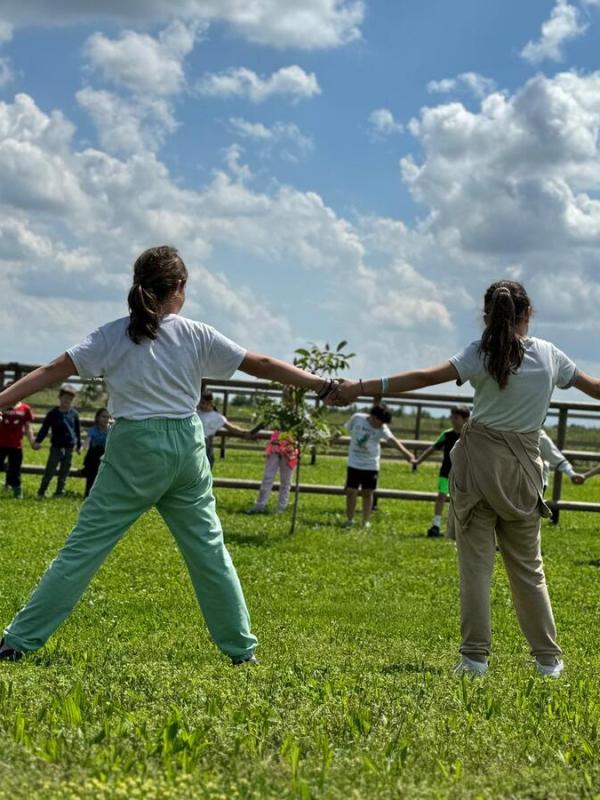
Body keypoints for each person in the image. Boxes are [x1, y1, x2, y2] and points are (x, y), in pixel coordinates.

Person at [0, 245, 338, 664]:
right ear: (180, 287)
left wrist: (3, 399)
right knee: (210, 552)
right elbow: (263, 363)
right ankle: (241, 651)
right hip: (186, 446)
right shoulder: (197, 334)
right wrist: (321, 385)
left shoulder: (111, 335)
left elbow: (53, 370)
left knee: (84, 548)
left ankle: (18, 641)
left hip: (134, 449)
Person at [330, 280, 600, 677]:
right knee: (529, 569)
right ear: (529, 314)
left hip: (476, 470)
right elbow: (595, 389)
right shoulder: (549, 355)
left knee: (475, 567)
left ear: (487, 316)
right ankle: (548, 661)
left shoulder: (480, 354)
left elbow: (423, 377)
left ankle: (474, 659)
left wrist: (360, 387)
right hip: (524, 473)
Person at [343, 404, 415, 529]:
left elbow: (392, 440)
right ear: (373, 417)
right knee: (351, 492)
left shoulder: (382, 428)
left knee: (367, 493)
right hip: (354, 462)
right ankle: (349, 520)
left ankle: (365, 521)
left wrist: (407, 454)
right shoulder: (357, 418)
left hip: (371, 465)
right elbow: (344, 430)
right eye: (380, 422)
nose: (381, 425)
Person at [413, 405, 471, 537]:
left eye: (456, 417)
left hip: (464, 474)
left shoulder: (470, 436)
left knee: (461, 500)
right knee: (441, 497)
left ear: (466, 419)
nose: (453, 420)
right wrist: (418, 461)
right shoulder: (446, 434)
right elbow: (432, 449)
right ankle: (436, 525)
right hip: (446, 472)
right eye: (452, 417)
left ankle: (460, 527)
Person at [33, 384, 82, 498]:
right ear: (60, 397)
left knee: (64, 472)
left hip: (69, 448)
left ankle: (59, 493)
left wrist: (79, 445)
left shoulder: (74, 414)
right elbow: (44, 429)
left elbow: (78, 431)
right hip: (56, 447)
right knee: (50, 471)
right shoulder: (53, 414)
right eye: (65, 398)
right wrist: (38, 441)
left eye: (70, 399)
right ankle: (41, 492)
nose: (67, 401)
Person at [246, 429, 299, 515]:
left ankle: (281, 507)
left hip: (290, 448)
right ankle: (260, 505)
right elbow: (268, 420)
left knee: (286, 481)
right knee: (267, 477)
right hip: (275, 446)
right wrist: (253, 432)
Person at [539, 429, 586, 524]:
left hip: (536, 484)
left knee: (526, 522)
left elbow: (557, 459)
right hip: (507, 482)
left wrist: (572, 474)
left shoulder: (538, 434)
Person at [197, 391, 253, 468]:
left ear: (210, 403)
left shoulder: (217, 417)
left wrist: (243, 432)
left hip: (205, 443)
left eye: (203, 403)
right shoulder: (196, 413)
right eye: (200, 403)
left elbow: (232, 428)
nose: (201, 405)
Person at [0, 386, 36, 499]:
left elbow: (28, 427)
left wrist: (32, 441)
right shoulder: (1, 407)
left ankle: (17, 491)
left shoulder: (25, 408)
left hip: (16, 445)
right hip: (0, 444)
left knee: (15, 469)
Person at [82, 407, 111, 497]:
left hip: (105, 456)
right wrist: (83, 447)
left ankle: (102, 494)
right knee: (91, 473)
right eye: (103, 416)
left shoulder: (111, 430)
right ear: (98, 418)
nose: (106, 419)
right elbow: (87, 440)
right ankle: (88, 494)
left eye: (108, 417)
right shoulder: (93, 430)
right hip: (93, 457)